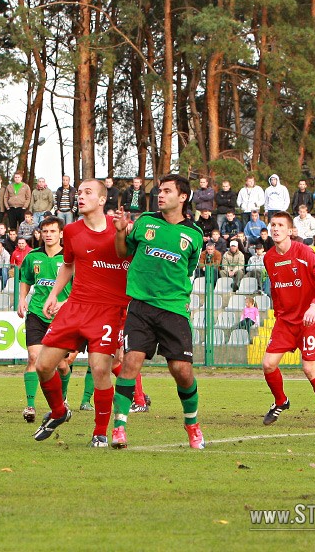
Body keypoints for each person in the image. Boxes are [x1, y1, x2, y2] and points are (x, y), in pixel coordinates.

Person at [32, 179, 130, 448]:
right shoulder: (73, 231)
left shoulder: (121, 230)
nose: (80, 197)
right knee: (42, 365)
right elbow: (68, 265)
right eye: (79, 193)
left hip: (110, 311)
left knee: (100, 369)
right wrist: (53, 295)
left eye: (88, 193)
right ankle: (59, 411)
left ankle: (100, 432)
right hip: (75, 306)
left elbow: (136, 268)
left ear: (102, 200)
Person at [111, 174, 205, 449]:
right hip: (140, 306)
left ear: (183, 197)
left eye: (166, 191)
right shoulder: (144, 222)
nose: (160, 195)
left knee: (182, 370)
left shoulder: (194, 235)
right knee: (130, 362)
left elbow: (186, 272)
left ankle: (192, 424)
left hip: (173, 309)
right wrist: (119, 231)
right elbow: (121, 253)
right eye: (159, 191)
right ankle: (119, 428)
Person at [261, 211, 315, 428]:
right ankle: (281, 401)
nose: (275, 229)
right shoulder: (269, 258)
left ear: (290, 231)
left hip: (309, 320)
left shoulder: (304, 252)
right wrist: (278, 314)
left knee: (309, 369)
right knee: (268, 364)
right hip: (286, 321)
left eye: (280, 225)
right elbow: (276, 290)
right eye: (273, 225)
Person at [18, 217, 73, 423]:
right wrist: (22, 300)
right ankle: (30, 405)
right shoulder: (33, 257)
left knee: (60, 364)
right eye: (45, 231)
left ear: (61, 234)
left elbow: (79, 288)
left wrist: (64, 303)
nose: (48, 234)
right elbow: (26, 279)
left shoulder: (69, 258)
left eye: (52, 231)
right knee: (33, 357)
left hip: (61, 317)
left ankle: (63, 399)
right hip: (37, 313)